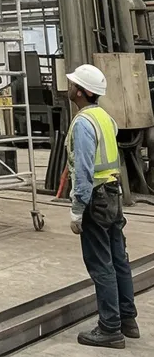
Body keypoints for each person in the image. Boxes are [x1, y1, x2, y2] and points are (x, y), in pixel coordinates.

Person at [66, 64, 139, 349]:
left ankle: (110, 328)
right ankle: (127, 319)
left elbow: (84, 169)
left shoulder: (84, 123)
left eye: (73, 84)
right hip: (113, 195)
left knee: (101, 264)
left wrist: (77, 206)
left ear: (82, 92)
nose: (69, 87)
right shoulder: (105, 119)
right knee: (119, 259)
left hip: (96, 198)